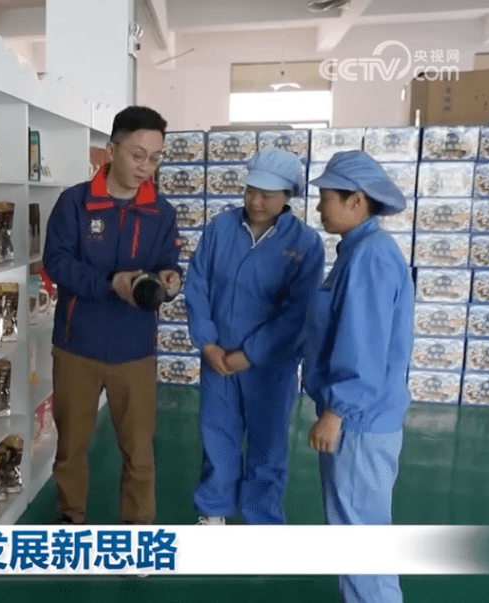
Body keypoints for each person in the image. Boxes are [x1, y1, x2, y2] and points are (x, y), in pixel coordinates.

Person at [43, 105, 183, 525]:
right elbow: (57, 264)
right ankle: (71, 521)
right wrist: (111, 282)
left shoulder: (161, 211)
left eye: (155, 158)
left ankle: (138, 532)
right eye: (137, 155)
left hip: (134, 349)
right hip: (77, 345)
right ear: (111, 150)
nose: (146, 167)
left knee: (139, 453)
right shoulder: (75, 203)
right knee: (71, 447)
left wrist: (170, 279)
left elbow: (167, 260)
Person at [184, 149, 326, 526]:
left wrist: (251, 353)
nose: (256, 201)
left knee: (268, 445)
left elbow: (298, 311)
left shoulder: (305, 243)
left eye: (267, 194)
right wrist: (207, 342)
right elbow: (197, 284)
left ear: (289, 195)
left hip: (269, 365)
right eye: (250, 191)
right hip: (217, 357)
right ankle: (213, 512)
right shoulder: (220, 228)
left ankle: (262, 521)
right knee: (218, 437)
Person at [302, 150, 413, 603]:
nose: (319, 207)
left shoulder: (369, 257)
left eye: (326, 197)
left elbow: (363, 345)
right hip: (364, 418)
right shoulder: (359, 251)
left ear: (356, 200)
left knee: (359, 538)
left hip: (359, 424)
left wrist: (336, 412)